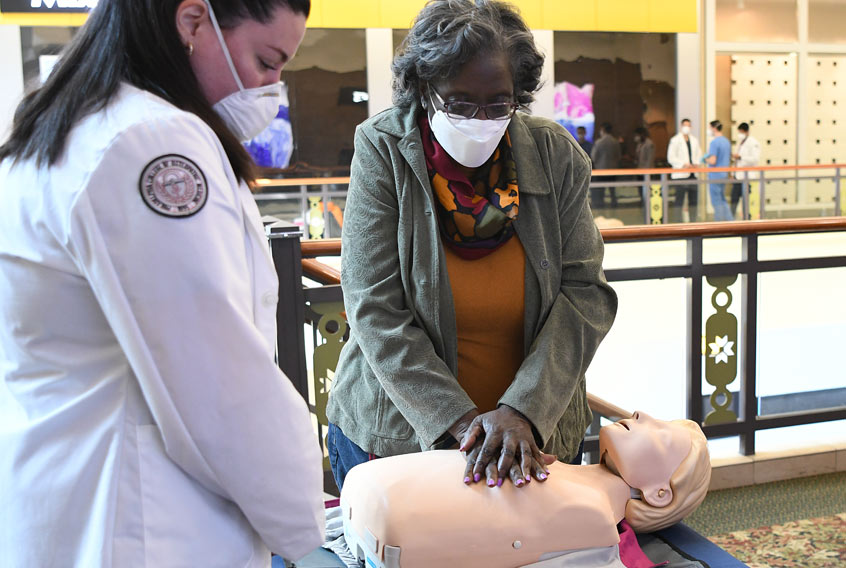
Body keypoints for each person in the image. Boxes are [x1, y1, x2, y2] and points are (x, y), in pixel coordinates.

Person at [0, 1, 325, 566]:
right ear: (193, 22)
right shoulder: (152, 144)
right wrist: (308, 535)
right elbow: (221, 386)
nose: (272, 88)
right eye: (267, 61)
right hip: (140, 523)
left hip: (71, 503)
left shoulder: (64, 130)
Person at [325, 0, 617, 493]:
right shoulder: (383, 148)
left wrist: (520, 411)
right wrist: (464, 425)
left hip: (531, 438)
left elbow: (586, 294)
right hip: (399, 437)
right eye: (459, 103)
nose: (480, 119)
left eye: (498, 103)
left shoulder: (555, 155)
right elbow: (374, 305)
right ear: (424, 88)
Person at [340, 412, 711, 568]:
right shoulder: (572, 479)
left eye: (661, 434)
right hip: (382, 496)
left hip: (388, 512)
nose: (643, 414)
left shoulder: (592, 515)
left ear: (660, 493)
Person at [667, 118, 702, 223]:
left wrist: (696, 163)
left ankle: (693, 221)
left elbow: (699, 154)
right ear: (681, 126)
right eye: (685, 125)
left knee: (693, 201)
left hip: (693, 174)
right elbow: (671, 157)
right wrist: (683, 164)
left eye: (689, 125)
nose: (687, 127)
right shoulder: (675, 140)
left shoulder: (694, 140)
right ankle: (678, 222)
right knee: (679, 201)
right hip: (680, 175)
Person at [730, 122, 761, 218]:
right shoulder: (741, 142)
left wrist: (741, 157)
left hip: (747, 177)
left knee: (746, 201)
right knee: (734, 199)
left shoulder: (753, 143)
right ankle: (731, 220)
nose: (740, 134)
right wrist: (732, 173)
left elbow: (755, 159)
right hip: (737, 176)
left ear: (747, 131)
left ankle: (747, 219)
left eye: (741, 132)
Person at [704, 119, 733, 221]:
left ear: (714, 128)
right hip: (724, 174)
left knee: (716, 201)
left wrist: (705, 159)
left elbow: (712, 160)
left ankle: (719, 223)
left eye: (709, 128)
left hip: (715, 175)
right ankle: (730, 221)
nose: (709, 130)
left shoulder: (714, 142)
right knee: (722, 199)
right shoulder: (726, 141)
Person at [590, 122, 622, 209]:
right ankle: (614, 205)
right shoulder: (615, 142)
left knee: (601, 190)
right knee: (612, 190)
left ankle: (601, 206)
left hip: (601, 170)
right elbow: (619, 156)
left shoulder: (599, 142)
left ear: (603, 130)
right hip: (613, 170)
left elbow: (593, 156)